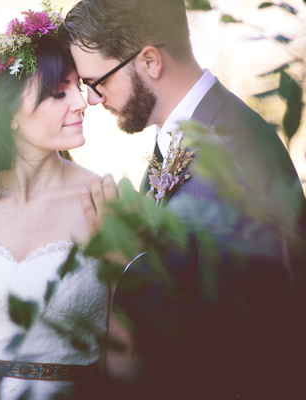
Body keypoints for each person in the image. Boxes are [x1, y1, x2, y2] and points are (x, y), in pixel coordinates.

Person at [60, 0, 305, 398]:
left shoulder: (231, 152)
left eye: (97, 81)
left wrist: (127, 261)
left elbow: (236, 342)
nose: (91, 99)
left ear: (151, 61)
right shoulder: (186, 134)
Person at [0, 4, 110, 399]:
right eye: (58, 93)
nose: (82, 103)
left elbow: (131, 343)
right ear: (7, 114)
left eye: (78, 88)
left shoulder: (102, 202)